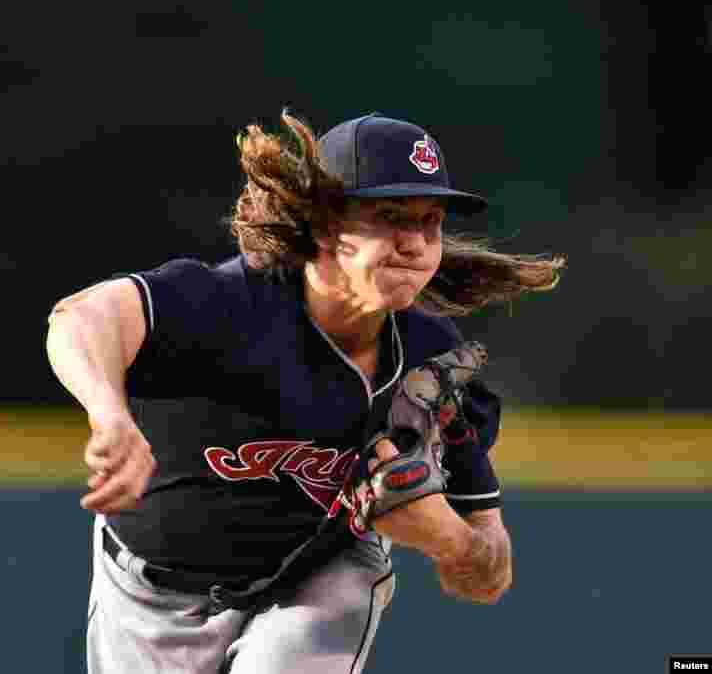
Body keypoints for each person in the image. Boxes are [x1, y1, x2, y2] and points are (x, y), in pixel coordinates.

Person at [46, 110, 566, 674]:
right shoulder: (226, 304)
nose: (416, 243)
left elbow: (489, 576)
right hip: (148, 596)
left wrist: (451, 541)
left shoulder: (433, 363)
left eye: (431, 222)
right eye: (391, 217)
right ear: (322, 226)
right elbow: (80, 317)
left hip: (318, 580)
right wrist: (109, 414)